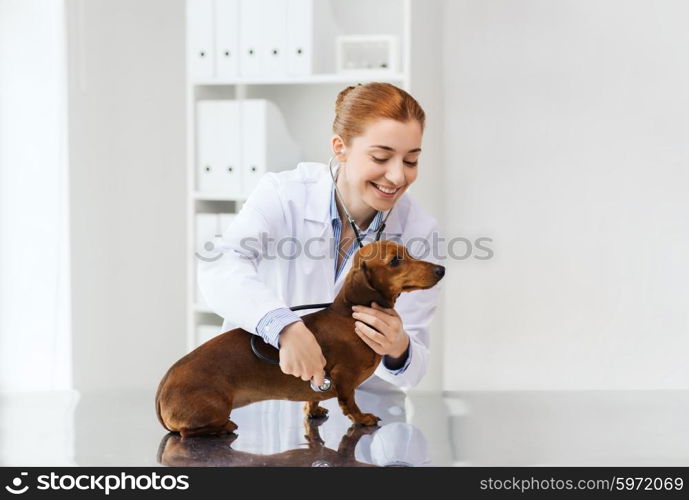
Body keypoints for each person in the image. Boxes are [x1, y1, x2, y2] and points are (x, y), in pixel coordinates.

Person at [198, 82, 444, 393]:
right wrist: (282, 326)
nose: (398, 177)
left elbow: (413, 364)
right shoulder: (283, 195)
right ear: (340, 147)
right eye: (381, 158)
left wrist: (398, 347)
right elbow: (220, 265)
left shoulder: (419, 230)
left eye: (411, 161)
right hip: (265, 395)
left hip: (361, 412)